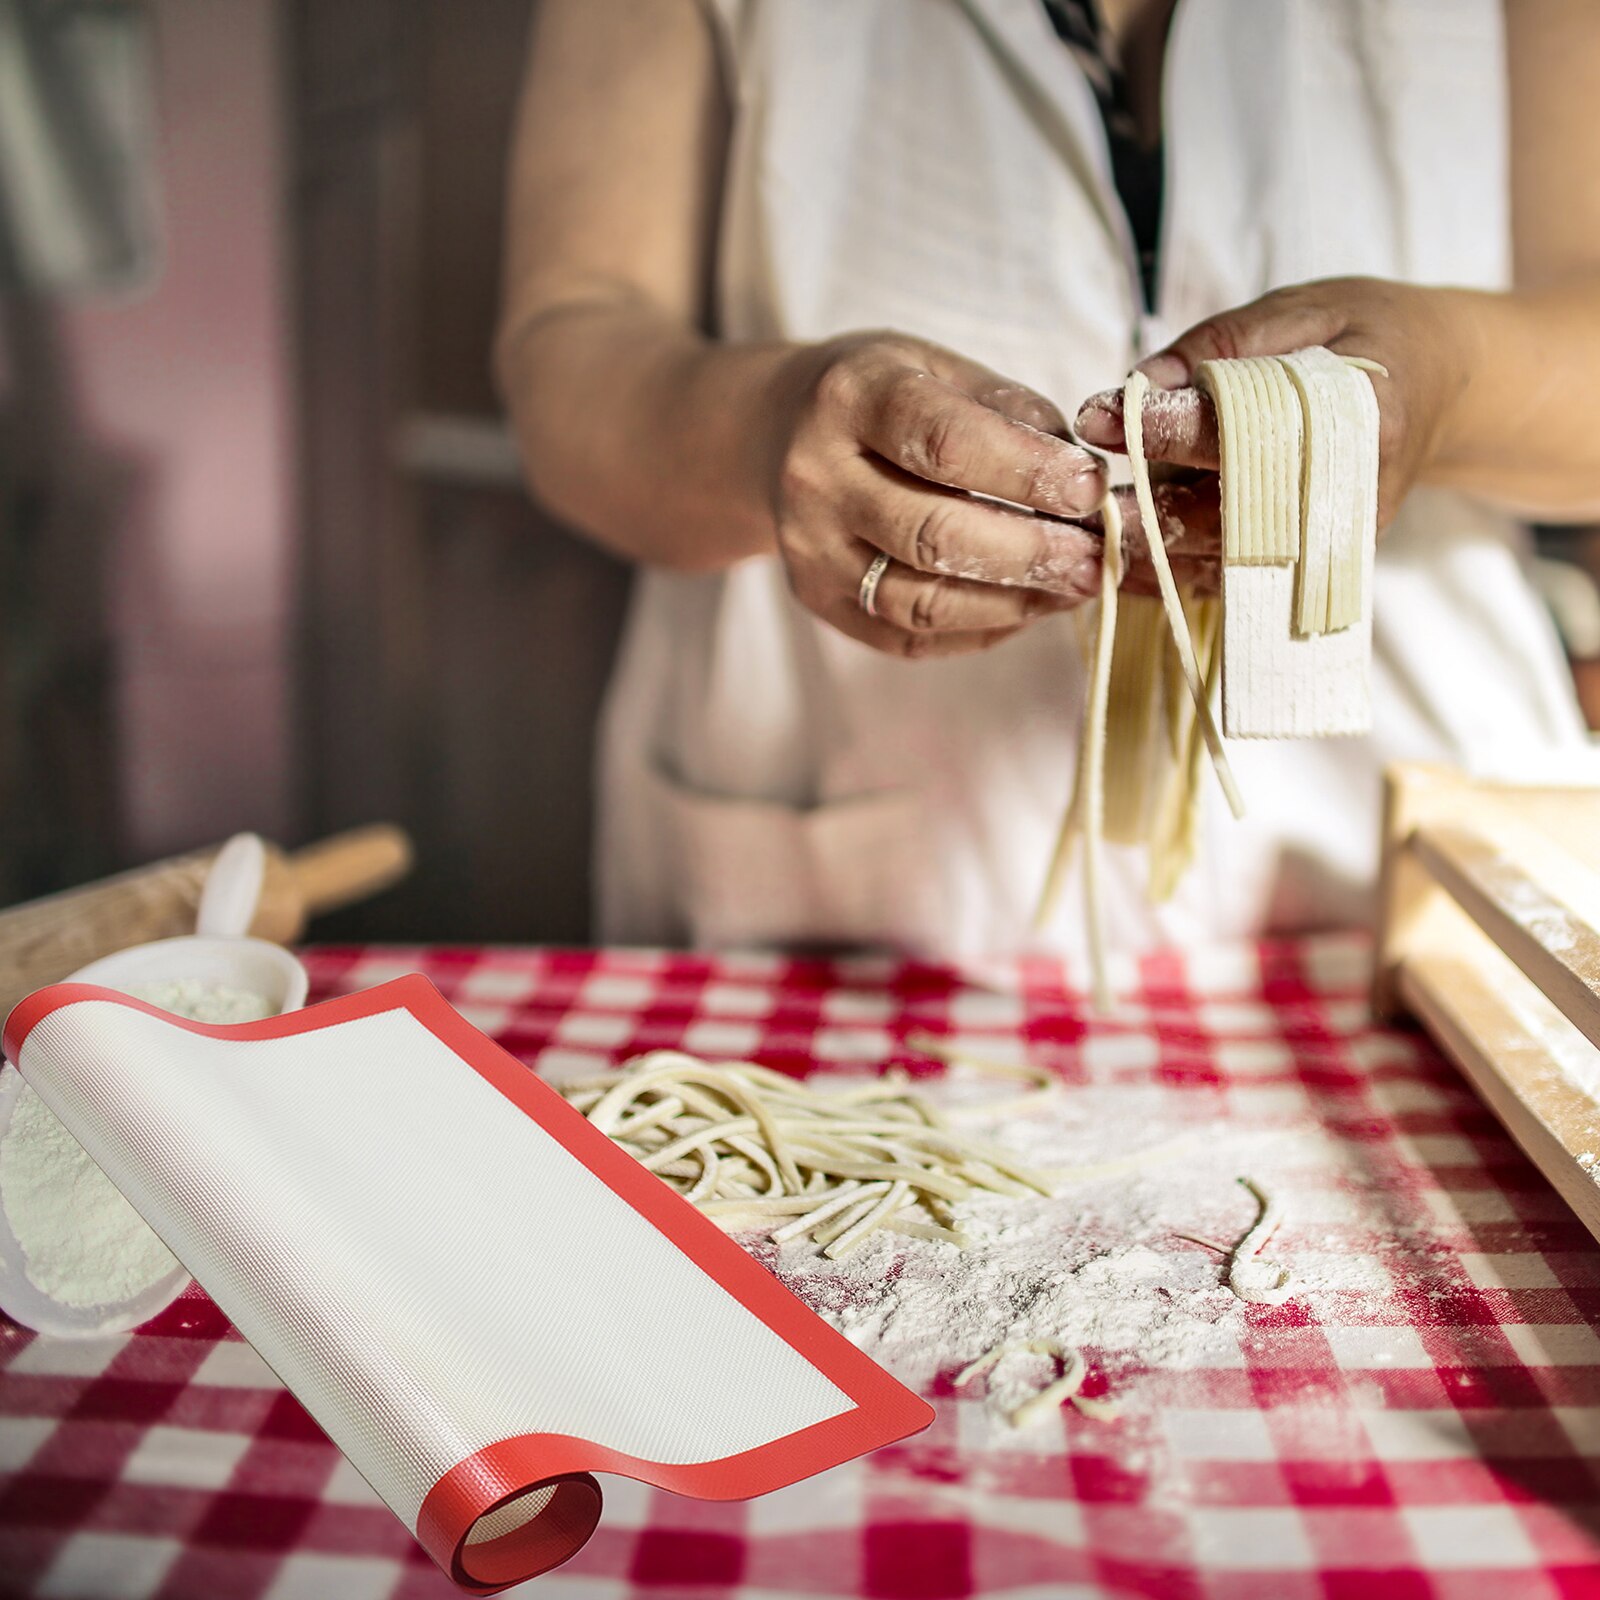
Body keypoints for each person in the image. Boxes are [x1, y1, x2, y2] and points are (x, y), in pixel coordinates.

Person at [496, 0, 1600, 961]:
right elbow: (570, 342)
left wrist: (1444, 379)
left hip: (1400, 873)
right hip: (854, 876)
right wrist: (761, 430)